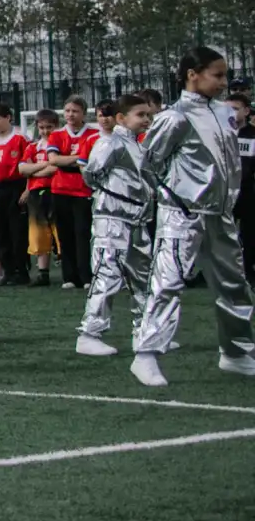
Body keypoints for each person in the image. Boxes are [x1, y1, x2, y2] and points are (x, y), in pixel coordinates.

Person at [132, 46, 255, 387]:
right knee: (168, 283)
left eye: (225, 75)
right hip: (183, 214)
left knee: (234, 284)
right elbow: (149, 164)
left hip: (220, 213)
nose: (223, 82)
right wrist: (172, 198)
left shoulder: (225, 113)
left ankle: (236, 352)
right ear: (192, 74)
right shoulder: (175, 117)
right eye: (217, 75)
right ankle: (146, 355)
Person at [76, 94, 154, 358]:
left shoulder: (134, 145)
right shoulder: (110, 142)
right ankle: (90, 334)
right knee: (107, 274)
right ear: (122, 118)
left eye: (147, 115)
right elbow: (91, 174)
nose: (146, 120)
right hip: (113, 219)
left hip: (135, 219)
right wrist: (112, 198)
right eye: (140, 115)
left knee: (142, 277)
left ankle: (144, 330)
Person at [48, 97, 100, 291]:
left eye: (75, 111)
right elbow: (53, 161)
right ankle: (68, 277)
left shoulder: (94, 135)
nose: (70, 114)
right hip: (60, 189)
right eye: (67, 110)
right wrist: (80, 159)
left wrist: (67, 160)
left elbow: (94, 160)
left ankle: (86, 275)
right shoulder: (57, 135)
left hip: (83, 189)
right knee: (64, 233)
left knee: (83, 233)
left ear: (84, 113)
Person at [0, 104, 29, 286]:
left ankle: (21, 270)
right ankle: (7, 271)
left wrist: (27, 190)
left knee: (17, 230)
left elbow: (28, 166)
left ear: (8, 118)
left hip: (15, 187)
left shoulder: (20, 139)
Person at [19, 109, 61, 288]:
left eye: (49, 127)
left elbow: (56, 168)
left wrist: (35, 170)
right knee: (38, 234)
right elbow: (22, 170)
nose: (45, 131)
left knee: (59, 231)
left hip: (57, 191)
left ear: (56, 126)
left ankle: (69, 271)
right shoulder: (32, 147)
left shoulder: (60, 145)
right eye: (42, 127)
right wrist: (44, 166)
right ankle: (43, 273)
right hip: (36, 194)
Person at [233, 91, 255, 282]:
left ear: (246, 111)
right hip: (225, 192)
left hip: (248, 192)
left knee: (249, 235)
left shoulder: (253, 135)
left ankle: (248, 270)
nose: (230, 114)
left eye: (235, 109)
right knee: (222, 235)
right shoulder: (222, 134)